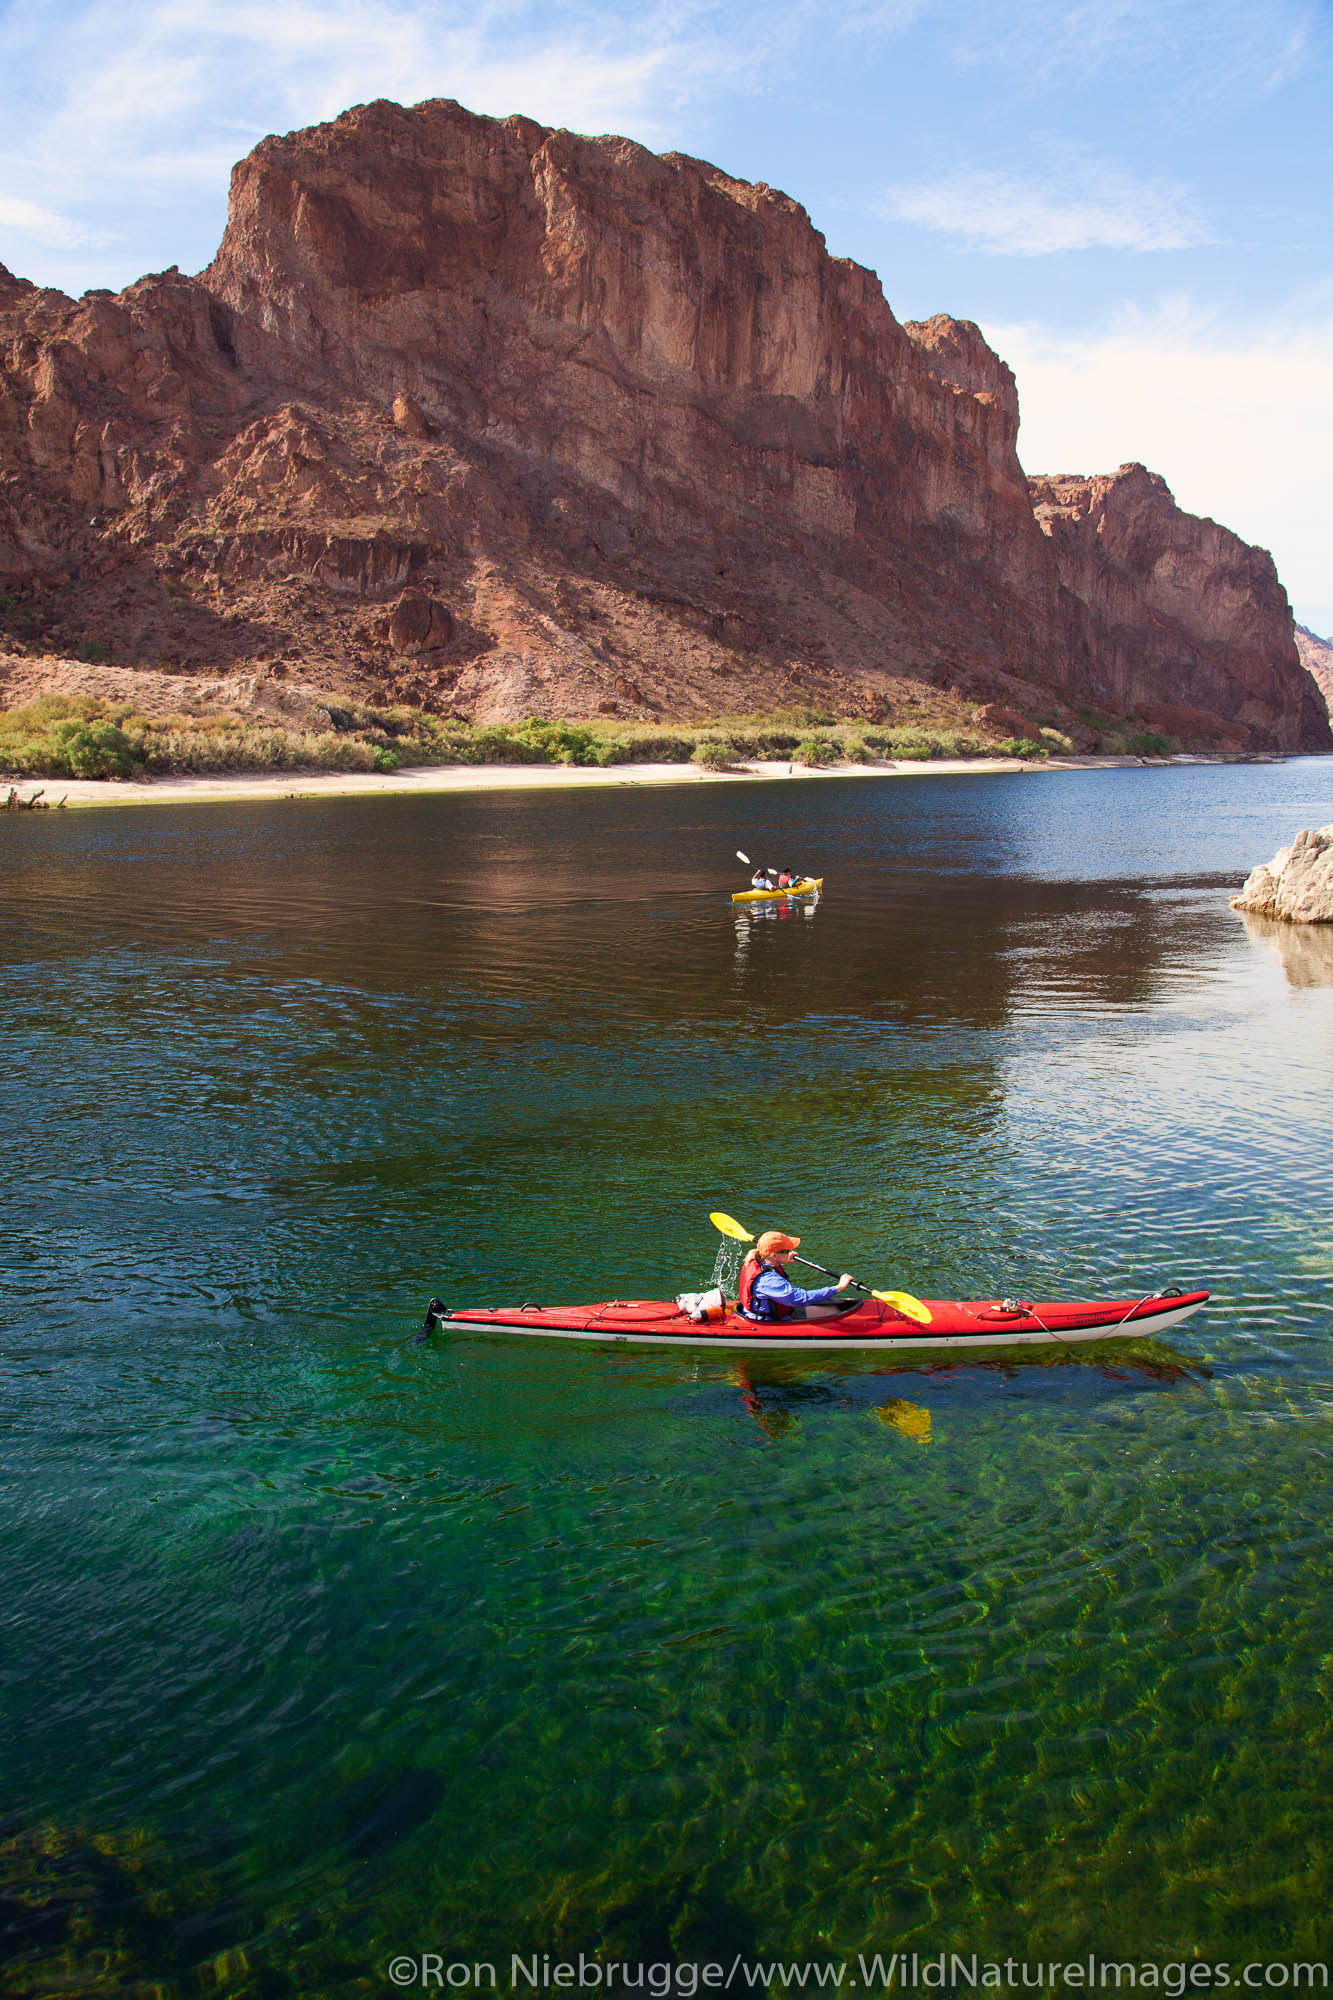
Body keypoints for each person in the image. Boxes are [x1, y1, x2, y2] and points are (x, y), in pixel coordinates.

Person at [738, 1231, 854, 1322]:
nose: (791, 1252)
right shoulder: (768, 1281)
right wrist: (838, 1287)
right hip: (770, 1321)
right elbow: (803, 1298)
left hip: (778, 1308)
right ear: (774, 1255)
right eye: (787, 1251)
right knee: (832, 1311)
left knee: (832, 1308)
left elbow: (772, 1262)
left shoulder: (758, 1258)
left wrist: (785, 1258)